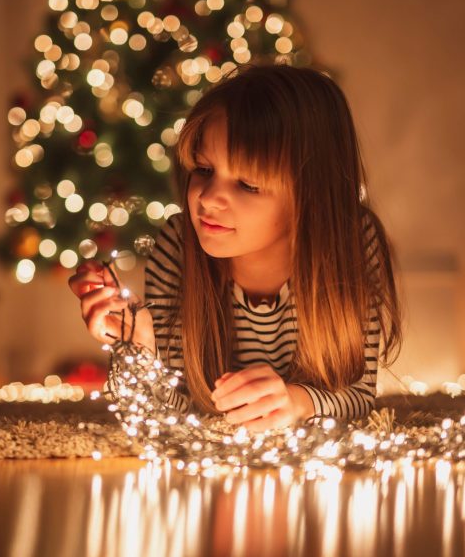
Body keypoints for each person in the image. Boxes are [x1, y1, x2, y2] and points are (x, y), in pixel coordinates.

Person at [69, 63, 402, 431]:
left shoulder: (351, 241)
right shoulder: (179, 248)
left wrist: (296, 401)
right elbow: (168, 415)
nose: (209, 199)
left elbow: (357, 397)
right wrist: (141, 346)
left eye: (247, 184)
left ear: (311, 196)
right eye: (204, 170)